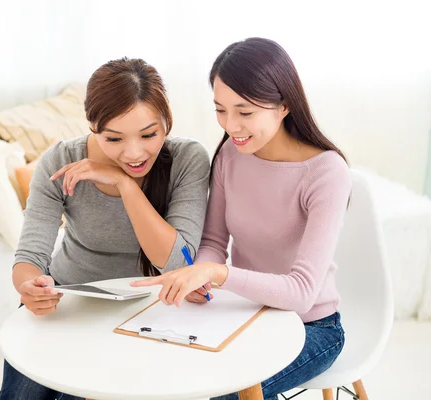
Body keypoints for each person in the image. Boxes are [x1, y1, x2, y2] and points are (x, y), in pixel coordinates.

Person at [132, 38, 351, 400]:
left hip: (313, 326)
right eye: (220, 110)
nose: (231, 126)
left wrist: (219, 275)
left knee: (219, 393)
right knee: (164, 375)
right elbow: (215, 242)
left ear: (283, 105)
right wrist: (199, 276)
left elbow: (300, 293)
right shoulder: (231, 156)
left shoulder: (326, 172)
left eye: (244, 112)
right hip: (248, 315)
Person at [0, 57, 210, 400]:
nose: (135, 152)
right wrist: (29, 286)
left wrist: (125, 185)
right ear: (92, 126)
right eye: (114, 139)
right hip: (68, 300)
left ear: (167, 121)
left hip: (149, 311)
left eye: (149, 134)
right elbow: (30, 254)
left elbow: (177, 263)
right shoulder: (59, 161)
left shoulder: (188, 159)